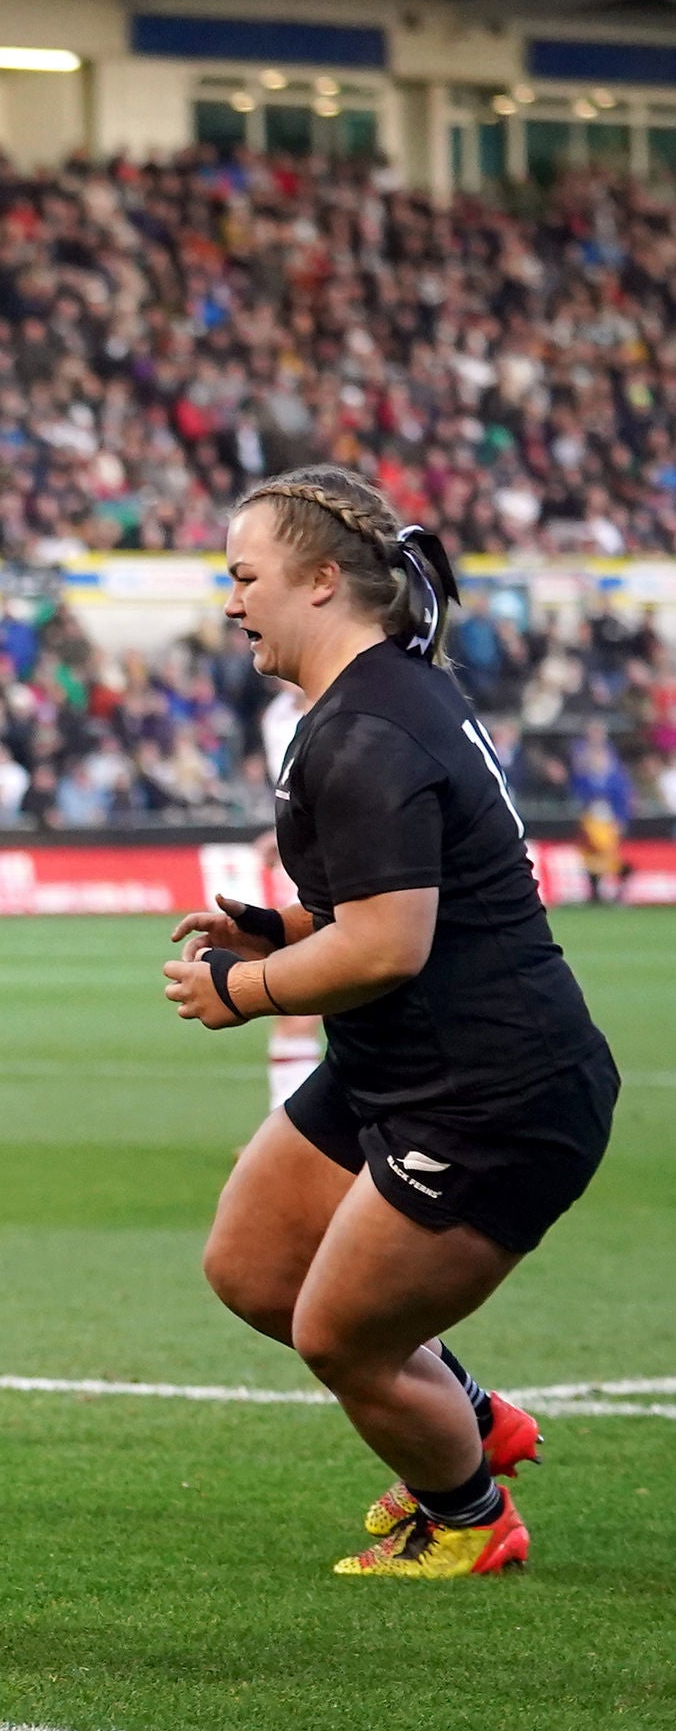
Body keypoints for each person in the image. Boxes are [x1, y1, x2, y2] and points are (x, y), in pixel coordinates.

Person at [164, 466, 615, 1579]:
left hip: (488, 1089)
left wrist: (242, 991)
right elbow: (378, 905)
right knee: (251, 1264)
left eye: (243, 576)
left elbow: (384, 946)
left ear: (320, 582)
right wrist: (280, 928)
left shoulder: (363, 728)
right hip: (402, 1059)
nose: (229, 601)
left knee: (337, 1335)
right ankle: (466, 1410)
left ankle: (465, 1515)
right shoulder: (378, 698)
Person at [255, 681, 321, 1111]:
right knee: (297, 1007)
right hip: (312, 871)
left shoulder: (346, 699)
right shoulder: (276, 717)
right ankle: (290, 1129)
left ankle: (293, 1135)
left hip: (355, 873)